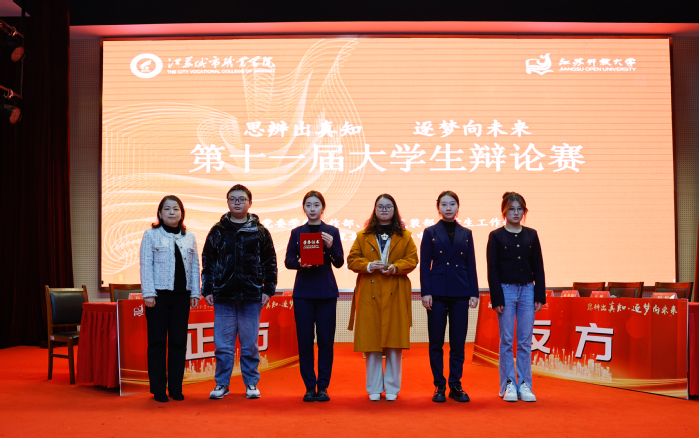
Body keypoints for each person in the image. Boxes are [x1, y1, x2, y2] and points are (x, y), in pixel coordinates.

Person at [201, 184, 277, 400]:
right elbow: (208, 261)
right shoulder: (217, 231)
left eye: (241, 199)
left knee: (250, 344)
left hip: (251, 295)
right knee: (223, 346)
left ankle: (251, 383)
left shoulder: (260, 231)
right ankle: (222, 384)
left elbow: (270, 262)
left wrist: (268, 289)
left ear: (249, 203)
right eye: (233, 199)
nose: (237, 202)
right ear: (227, 202)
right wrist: (208, 288)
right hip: (223, 295)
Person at [347, 194, 418, 401]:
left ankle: (393, 388)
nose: (384, 210)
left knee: (394, 343)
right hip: (369, 294)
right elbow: (352, 260)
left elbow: (412, 259)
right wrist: (369, 265)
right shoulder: (362, 236)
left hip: (395, 291)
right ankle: (374, 388)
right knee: (372, 343)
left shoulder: (405, 236)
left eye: (388, 206)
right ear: (375, 210)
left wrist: (396, 267)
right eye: (380, 206)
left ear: (394, 210)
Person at [139, 195, 201, 402]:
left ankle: (176, 388)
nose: (172, 212)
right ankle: (158, 389)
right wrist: (148, 293)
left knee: (178, 342)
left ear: (181, 213)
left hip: (182, 297)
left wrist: (195, 292)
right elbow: (146, 264)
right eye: (167, 209)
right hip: (158, 296)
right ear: (160, 213)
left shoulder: (189, 236)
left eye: (176, 209)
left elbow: (195, 266)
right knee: (157, 342)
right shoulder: (151, 234)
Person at [285, 191, 344, 402]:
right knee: (305, 342)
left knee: (326, 342)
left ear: (323, 208)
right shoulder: (296, 232)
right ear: (304, 208)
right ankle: (310, 386)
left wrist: (330, 247)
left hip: (326, 292)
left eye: (316, 205)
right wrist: (300, 263)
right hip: (303, 293)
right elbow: (288, 261)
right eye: (308, 205)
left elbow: (339, 262)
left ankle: (323, 387)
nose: (312, 209)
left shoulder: (332, 231)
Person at [420, 191, 479, 403]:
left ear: (458, 207)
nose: (448, 208)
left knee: (458, 342)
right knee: (436, 342)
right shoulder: (430, 232)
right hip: (436, 292)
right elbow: (425, 263)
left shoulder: (466, 233)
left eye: (452, 204)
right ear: (438, 207)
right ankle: (439, 385)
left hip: (461, 291)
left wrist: (474, 292)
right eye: (444, 204)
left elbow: (471, 264)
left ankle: (455, 384)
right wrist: (425, 291)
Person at [486, 191, 545, 403]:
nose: (516, 212)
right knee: (507, 340)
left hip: (528, 290)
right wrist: (497, 298)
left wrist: (539, 294)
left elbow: (538, 266)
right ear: (504, 211)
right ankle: (508, 384)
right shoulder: (496, 236)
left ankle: (525, 384)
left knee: (525, 341)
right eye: (512, 209)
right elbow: (492, 269)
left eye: (520, 209)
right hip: (506, 291)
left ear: (525, 211)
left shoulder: (532, 235)